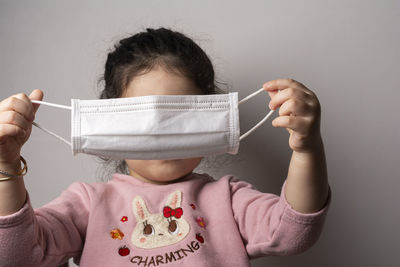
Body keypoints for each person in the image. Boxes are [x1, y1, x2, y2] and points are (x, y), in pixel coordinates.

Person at [0, 27, 330, 266]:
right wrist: (6, 165)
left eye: (178, 117)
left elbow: (292, 233)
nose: (160, 136)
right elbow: (19, 254)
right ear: (113, 119)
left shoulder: (228, 200)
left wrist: (306, 149)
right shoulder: (88, 204)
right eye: (144, 118)